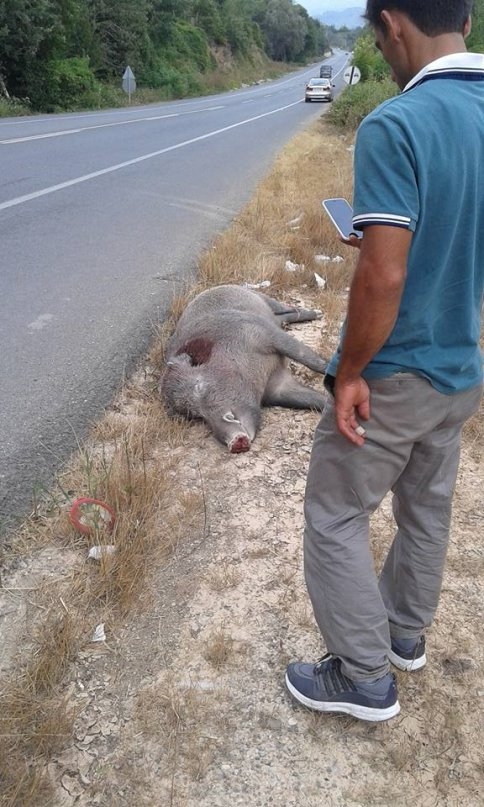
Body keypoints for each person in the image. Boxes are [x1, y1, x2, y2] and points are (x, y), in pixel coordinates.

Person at [285, 0, 484, 722]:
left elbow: (385, 277)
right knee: (426, 509)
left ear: (393, 25)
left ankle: (365, 676)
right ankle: (403, 635)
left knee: (336, 511)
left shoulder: (396, 124)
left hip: (394, 371)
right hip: (462, 366)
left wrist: (349, 372)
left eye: (376, 35)